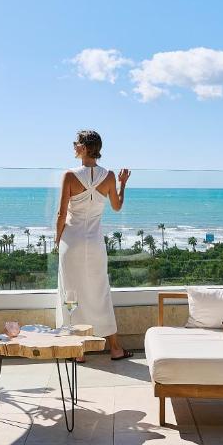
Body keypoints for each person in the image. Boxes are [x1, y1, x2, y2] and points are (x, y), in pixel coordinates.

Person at [55, 129, 133, 361]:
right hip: (96, 243)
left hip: (72, 242)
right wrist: (122, 184)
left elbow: (61, 214)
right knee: (100, 292)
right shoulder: (109, 176)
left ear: (84, 147)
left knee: (72, 294)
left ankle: (77, 349)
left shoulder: (69, 175)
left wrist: (57, 238)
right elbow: (117, 207)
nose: (73, 146)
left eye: (76, 143)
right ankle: (116, 348)